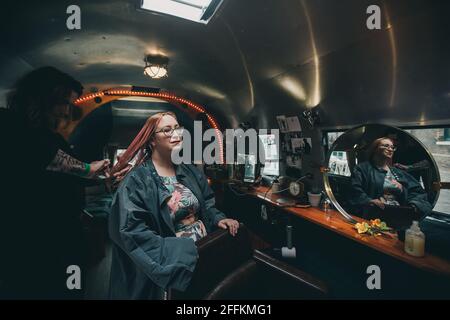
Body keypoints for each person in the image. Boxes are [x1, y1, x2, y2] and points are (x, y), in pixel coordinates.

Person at [0, 66, 111, 299]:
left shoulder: (51, 136)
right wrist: (90, 169)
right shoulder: (11, 125)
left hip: (62, 235)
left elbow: (64, 176)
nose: (66, 111)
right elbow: (44, 156)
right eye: (64, 102)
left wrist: (100, 178)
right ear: (43, 98)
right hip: (32, 240)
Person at [108, 112, 239, 299]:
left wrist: (219, 218)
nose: (176, 134)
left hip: (204, 251)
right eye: (167, 130)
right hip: (175, 261)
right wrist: (183, 250)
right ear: (152, 140)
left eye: (177, 128)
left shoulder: (189, 170)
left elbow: (207, 204)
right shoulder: (137, 181)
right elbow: (130, 231)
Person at [349, 137, 432, 219]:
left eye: (392, 147)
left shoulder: (397, 172)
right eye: (386, 146)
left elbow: (418, 191)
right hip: (373, 215)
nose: (390, 149)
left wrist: (403, 190)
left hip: (397, 215)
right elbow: (354, 190)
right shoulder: (362, 169)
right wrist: (369, 201)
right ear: (375, 149)